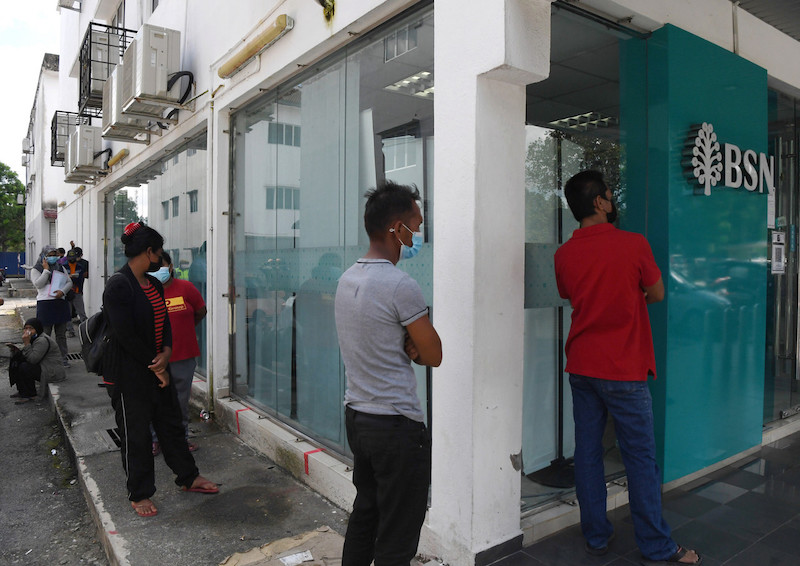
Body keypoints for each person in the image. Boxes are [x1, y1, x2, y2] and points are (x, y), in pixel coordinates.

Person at [554, 170, 701, 565]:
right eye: (608, 195)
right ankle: (656, 546)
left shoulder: (563, 254)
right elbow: (656, 292)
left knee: (587, 454)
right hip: (623, 368)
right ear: (600, 203)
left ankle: (597, 537)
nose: (611, 199)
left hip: (582, 365)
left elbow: (570, 295)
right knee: (639, 458)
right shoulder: (633, 244)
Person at [335, 180, 442, 566]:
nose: (419, 232)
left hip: (359, 419)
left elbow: (375, 339)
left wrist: (406, 341)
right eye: (416, 223)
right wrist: (414, 342)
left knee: (367, 512)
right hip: (396, 426)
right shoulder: (400, 285)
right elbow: (433, 354)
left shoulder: (348, 279)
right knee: (399, 531)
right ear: (397, 228)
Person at [102, 221, 218, 518]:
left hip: (157, 367)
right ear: (149, 251)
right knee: (137, 436)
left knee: (171, 427)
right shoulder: (119, 285)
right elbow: (125, 335)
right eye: (159, 251)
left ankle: (188, 477)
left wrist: (166, 352)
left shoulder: (152, 283)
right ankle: (139, 493)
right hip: (130, 375)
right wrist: (156, 367)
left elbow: (163, 323)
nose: (161, 258)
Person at [147, 251, 207, 455]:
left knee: (180, 402)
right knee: (154, 401)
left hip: (183, 355)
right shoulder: (145, 291)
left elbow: (201, 311)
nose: (157, 271)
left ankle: (180, 439)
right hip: (154, 359)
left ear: (170, 267)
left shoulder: (186, 288)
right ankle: (155, 439)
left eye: (160, 266)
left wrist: (185, 330)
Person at [31, 245, 73, 367]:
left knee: (61, 335)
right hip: (45, 304)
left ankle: (63, 359)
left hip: (60, 303)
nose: (53, 257)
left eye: (55, 255)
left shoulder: (60, 267)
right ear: (44, 256)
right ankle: (45, 359)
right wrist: (46, 270)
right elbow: (38, 284)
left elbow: (69, 282)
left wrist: (62, 292)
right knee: (45, 334)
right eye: (50, 255)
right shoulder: (37, 269)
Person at [7, 318, 66, 403]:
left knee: (25, 367)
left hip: (52, 371)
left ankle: (30, 394)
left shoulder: (42, 340)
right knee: (17, 362)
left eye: (31, 328)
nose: (28, 331)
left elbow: (33, 359)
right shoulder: (35, 338)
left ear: (37, 329)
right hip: (44, 366)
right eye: (26, 328)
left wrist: (27, 343)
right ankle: (22, 391)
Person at [65, 248, 89, 337]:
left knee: (81, 313)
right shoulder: (63, 267)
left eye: (74, 257)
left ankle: (86, 330)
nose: (72, 259)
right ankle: (70, 331)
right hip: (66, 292)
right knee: (68, 313)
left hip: (77, 292)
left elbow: (82, 279)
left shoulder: (80, 266)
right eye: (70, 257)